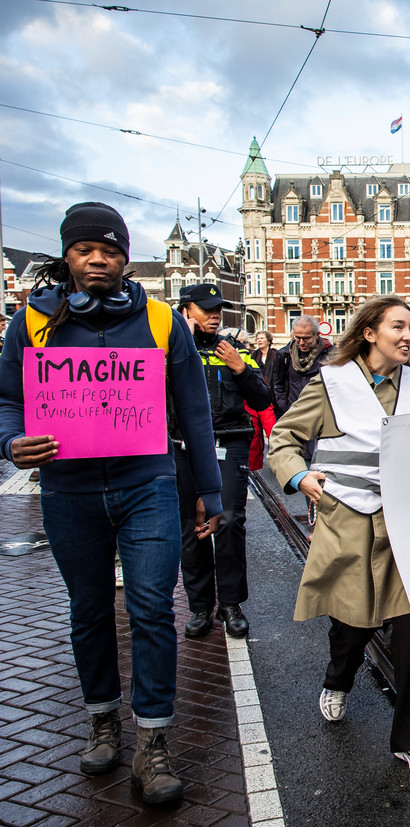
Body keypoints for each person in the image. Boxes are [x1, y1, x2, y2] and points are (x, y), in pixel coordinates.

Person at [0, 202, 223, 806]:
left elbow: (194, 409)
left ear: (125, 257)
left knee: (152, 607)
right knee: (91, 610)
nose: (98, 259)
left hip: (146, 485)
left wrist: (209, 492)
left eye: (110, 250)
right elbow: (7, 400)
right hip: (68, 491)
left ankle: (153, 741)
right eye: (85, 250)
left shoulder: (161, 320)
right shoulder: (31, 321)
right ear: (67, 256)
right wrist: (11, 442)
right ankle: (102, 719)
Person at [268, 296, 410, 776]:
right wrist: (300, 476)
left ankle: (409, 736)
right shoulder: (331, 383)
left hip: (406, 524)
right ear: (369, 332)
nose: (409, 335)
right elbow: (284, 439)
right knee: (353, 625)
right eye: (398, 326)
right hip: (348, 518)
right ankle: (338, 679)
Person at [174, 286, 270, 639]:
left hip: (230, 443)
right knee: (192, 525)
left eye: (219, 309)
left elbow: (262, 399)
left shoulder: (235, 350)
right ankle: (200, 606)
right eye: (207, 309)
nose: (215, 315)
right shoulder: (170, 349)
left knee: (229, 521)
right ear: (186, 311)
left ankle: (230, 604)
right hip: (183, 446)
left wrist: (241, 369)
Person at [273, 315, 334, 417]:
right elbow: (279, 385)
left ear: (317, 335)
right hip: (293, 413)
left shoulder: (330, 355)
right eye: (298, 337)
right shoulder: (284, 354)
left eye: (306, 338)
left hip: (320, 414)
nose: (301, 343)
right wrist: (286, 408)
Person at [247, 330, 279, 470]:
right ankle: (254, 467)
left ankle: (279, 461)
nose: (259, 340)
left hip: (271, 398)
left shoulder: (276, 356)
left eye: (261, 338)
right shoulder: (252, 356)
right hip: (256, 397)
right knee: (255, 434)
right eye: (257, 338)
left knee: (273, 432)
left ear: (268, 340)